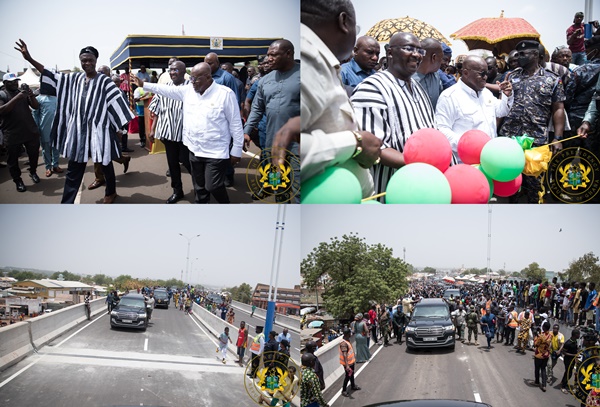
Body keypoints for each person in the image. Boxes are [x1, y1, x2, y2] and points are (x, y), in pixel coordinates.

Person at [15, 40, 134, 204]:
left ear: (96, 61)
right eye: (84, 60)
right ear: (80, 62)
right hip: (79, 134)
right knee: (74, 170)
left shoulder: (105, 82)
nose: (87, 63)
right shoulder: (74, 79)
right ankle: (67, 203)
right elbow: (50, 74)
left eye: (90, 60)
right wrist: (29, 58)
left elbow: (117, 106)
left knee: (105, 163)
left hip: (100, 132)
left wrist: (119, 130)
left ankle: (111, 192)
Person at [299, 0, 381, 200]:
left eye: (377, 53)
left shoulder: (323, 61)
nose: (375, 57)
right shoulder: (308, 59)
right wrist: (355, 142)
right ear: (344, 22)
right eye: (370, 52)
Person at [133, 62, 243, 204]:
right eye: (191, 78)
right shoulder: (189, 90)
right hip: (194, 149)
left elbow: (235, 124)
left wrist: (237, 150)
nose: (192, 82)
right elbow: (165, 90)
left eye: (195, 79)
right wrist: (144, 85)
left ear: (208, 77)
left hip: (215, 151)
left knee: (213, 185)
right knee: (199, 187)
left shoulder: (225, 94)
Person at [350, 32, 435, 197]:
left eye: (420, 51)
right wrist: (421, 164)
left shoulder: (419, 88)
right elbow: (373, 149)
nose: (417, 55)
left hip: (423, 186)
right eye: (409, 48)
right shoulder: (372, 88)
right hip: (390, 190)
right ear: (389, 52)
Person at [498, 40, 565, 204]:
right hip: (510, 139)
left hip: (536, 141)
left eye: (523, 54)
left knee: (535, 187)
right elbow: (502, 105)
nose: (519, 57)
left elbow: (558, 109)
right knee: (511, 185)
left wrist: (557, 137)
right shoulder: (511, 76)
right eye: (518, 54)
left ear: (535, 55)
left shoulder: (552, 79)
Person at [243, 39, 300, 203]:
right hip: (272, 145)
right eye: (268, 55)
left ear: (288, 54)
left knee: (298, 190)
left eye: (273, 55)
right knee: (277, 185)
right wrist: (247, 131)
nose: (268, 59)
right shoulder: (264, 81)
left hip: (297, 147)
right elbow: (257, 109)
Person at [436, 55, 513, 163]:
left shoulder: (485, 93)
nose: (485, 77)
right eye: (482, 73)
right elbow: (442, 130)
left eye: (486, 73)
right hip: (465, 165)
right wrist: (470, 145)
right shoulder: (449, 97)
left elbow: (501, 111)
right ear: (466, 73)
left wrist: (506, 96)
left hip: (489, 161)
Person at [147, 60, 192, 203]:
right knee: (173, 165)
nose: (172, 73)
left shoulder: (191, 88)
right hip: (168, 134)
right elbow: (156, 111)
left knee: (189, 163)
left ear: (184, 72)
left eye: (176, 70)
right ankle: (177, 191)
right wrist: (152, 130)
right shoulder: (163, 88)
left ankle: (201, 188)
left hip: (185, 135)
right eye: (170, 70)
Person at [0, 72, 41, 192]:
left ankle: (33, 172)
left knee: (33, 155)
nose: (14, 84)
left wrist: (31, 95)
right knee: (12, 160)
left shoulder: (21, 93)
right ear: (5, 83)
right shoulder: (2, 94)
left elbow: (36, 107)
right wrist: (16, 98)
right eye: (11, 82)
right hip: (12, 133)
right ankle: (17, 180)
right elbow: (2, 111)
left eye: (16, 81)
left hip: (29, 131)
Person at [33, 91, 62, 178]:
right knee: (46, 148)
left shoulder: (57, 98)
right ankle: (48, 167)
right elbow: (35, 114)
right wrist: (37, 127)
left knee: (56, 147)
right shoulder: (38, 99)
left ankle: (55, 165)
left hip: (56, 128)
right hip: (44, 128)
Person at [412, 37, 444, 109]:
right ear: (434, 58)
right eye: (441, 58)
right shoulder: (407, 79)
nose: (441, 62)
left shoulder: (436, 77)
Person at [339, 328, 360, 398]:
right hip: (347, 363)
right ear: (347, 334)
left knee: (352, 374)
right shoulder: (344, 343)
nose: (351, 334)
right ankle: (344, 390)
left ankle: (353, 385)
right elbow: (344, 354)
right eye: (350, 333)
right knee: (347, 376)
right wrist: (347, 366)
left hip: (351, 362)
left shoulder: (346, 340)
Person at [559, 328, 580, 394]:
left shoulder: (575, 341)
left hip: (572, 359)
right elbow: (564, 352)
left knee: (568, 372)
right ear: (575, 335)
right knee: (569, 373)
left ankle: (563, 382)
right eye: (578, 334)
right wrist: (574, 355)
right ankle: (563, 387)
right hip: (568, 360)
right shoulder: (568, 343)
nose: (579, 335)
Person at [533, 321, 552, 392]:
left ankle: (537, 382)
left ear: (544, 327)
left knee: (537, 369)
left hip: (539, 355)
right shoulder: (550, 335)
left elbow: (536, 344)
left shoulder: (541, 336)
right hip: (546, 355)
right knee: (543, 369)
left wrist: (535, 336)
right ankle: (544, 385)